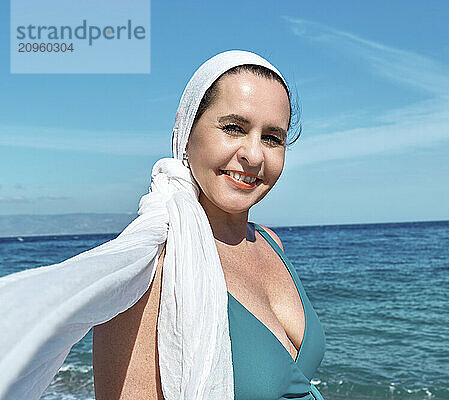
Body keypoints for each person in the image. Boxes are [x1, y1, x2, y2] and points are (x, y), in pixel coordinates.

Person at [0, 50, 326, 400]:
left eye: (272, 137)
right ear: (186, 133)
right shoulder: (147, 269)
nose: (254, 154)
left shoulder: (271, 242)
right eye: (234, 128)